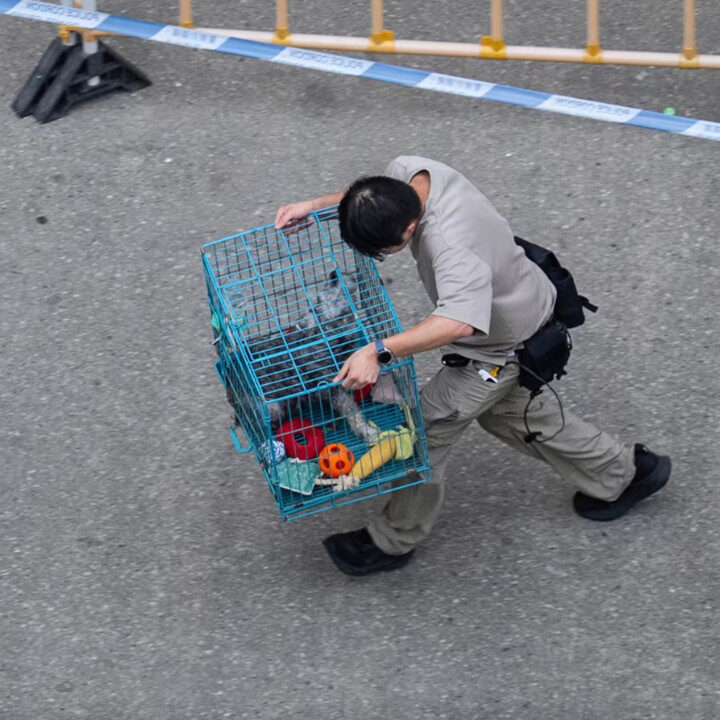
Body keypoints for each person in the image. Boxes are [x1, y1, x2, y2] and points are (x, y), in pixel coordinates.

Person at [275, 156, 671, 577]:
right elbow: (369, 194)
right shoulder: (411, 172)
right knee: (514, 415)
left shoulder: (451, 246)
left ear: (409, 230)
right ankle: (625, 472)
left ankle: (392, 541)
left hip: (498, 353)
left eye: (384, 252)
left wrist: (378, 351)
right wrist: (315, 204)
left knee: (422, 432)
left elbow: (455, 322)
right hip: (526, 307)